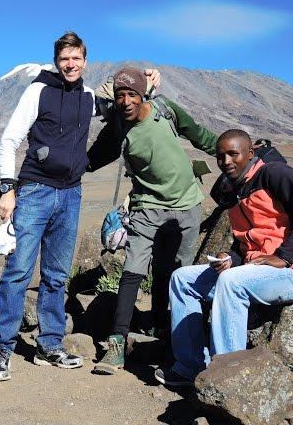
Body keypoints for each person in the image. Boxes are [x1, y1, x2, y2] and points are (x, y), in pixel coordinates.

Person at [0, 32, 160, 382]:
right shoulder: (38, 90)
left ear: (85, 61)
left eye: (76, 58)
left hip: (70, 195)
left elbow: (126, 106)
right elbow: (9, 140)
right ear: (56, 60)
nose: (70, 64)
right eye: (65, 58)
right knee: (18, 270)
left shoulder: (88, 97)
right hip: (34, 191)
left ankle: (49, 345)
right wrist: (7, 188)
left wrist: (149, 84)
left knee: (56, 275)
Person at [155, 129, 293, 387]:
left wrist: (283, 256)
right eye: (220, 156)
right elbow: (246, 241)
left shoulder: (274, 174)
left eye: (233, 154)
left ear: (250, 153)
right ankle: (190, 366)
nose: (226, 161)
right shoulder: (234, 189)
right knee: (182, 279)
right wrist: (232, 258)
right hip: (254, 272)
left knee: (231, 282)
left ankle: (227, 376)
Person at [87, 67, 218, 375]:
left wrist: (243, 155)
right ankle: (117, 342)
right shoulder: (117, 127)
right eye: (120, 96)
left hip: (187, 205)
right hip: (146, 207)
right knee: (133, 269)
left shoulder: (165, 109)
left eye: (132, 94)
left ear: (143, 94)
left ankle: (166, 333)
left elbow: (200, 136)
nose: (126, 101)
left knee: (173, 272)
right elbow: (90, 160)